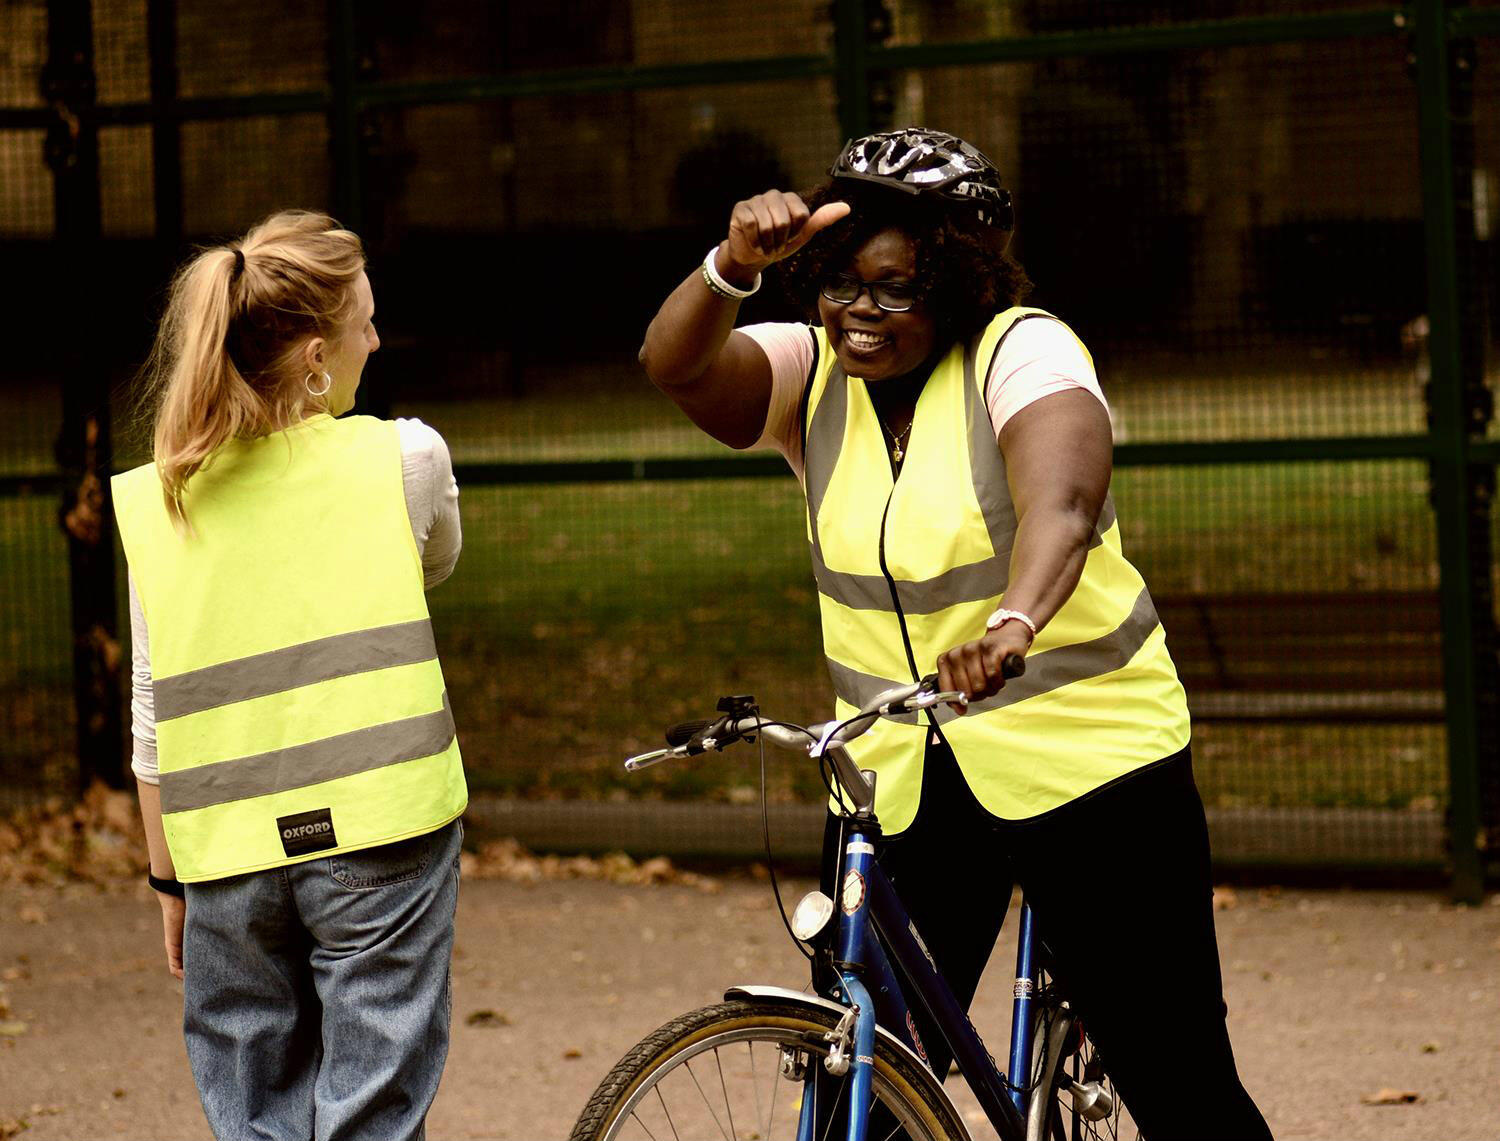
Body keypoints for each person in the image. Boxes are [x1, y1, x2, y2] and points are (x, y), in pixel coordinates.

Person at [639, 128, 1272, 1139]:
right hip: (900, 773)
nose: (860, 310)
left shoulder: (1021, 350)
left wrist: (1016, 621)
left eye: (895, 288)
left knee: (1176, 1077)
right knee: (865, 1081)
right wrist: (731, 267)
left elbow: (1064, 505)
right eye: (840, 282)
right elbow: (675, 364)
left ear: (957, 283)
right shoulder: (815, 371)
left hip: (1088, 762)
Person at [113, 210, 467, 1141]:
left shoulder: (161, 496)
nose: (376, 343)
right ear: (315, 358)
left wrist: (168, 884)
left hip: (226, 854)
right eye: (366, 325)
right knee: (371, 1116)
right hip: (383, 833)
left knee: (255, 1118)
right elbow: (433, 563)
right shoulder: (406, 458)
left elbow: (151, 714)